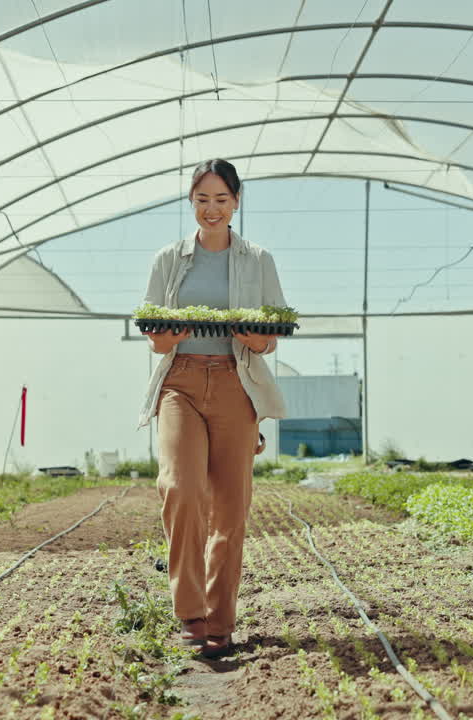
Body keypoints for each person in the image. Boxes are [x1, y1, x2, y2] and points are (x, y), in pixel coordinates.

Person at [137, 158, 288, 659]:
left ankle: (221, 622)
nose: (211, 209)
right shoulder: (168, 259)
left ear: (237, 203)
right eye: (202, 200)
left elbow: (270, 339)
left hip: (236, 383)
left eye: (221, 200)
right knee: (177, 488)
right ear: (191, 203)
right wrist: (166, 337)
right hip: (179, 382)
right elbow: (154, 339)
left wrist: (257, 339)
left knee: (231, 508)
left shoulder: (258, 260)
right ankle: (191, 612)